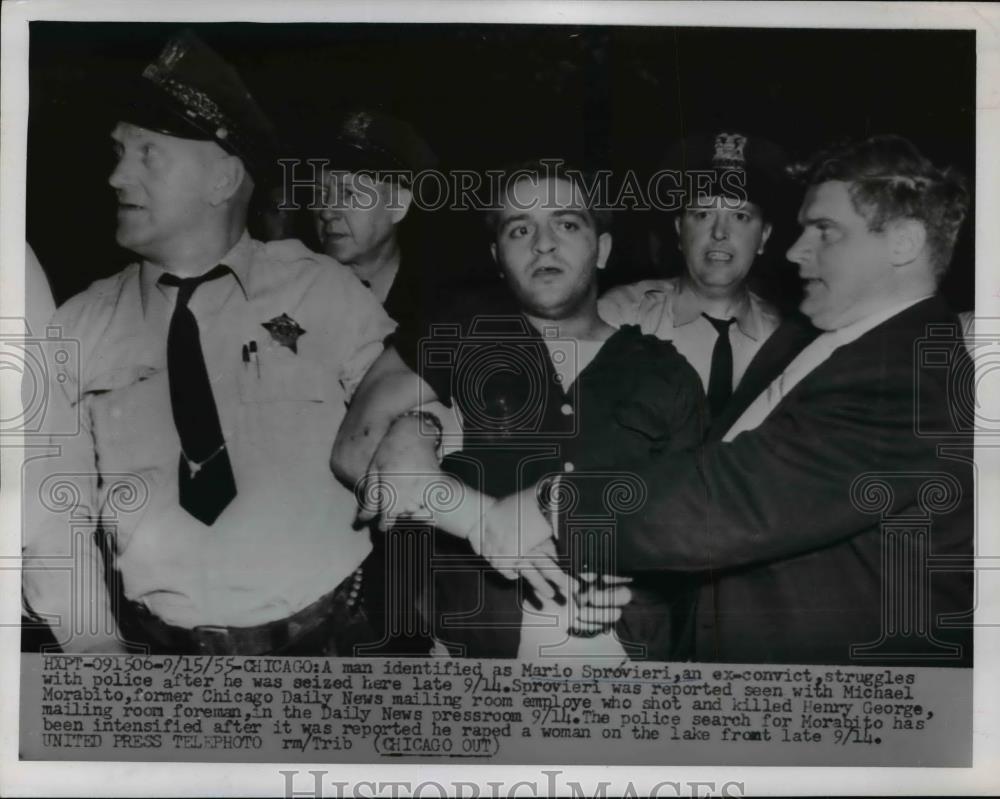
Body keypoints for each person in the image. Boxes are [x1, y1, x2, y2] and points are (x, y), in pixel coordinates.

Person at [480, 135, 975, 666]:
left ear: (903, 243)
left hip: (841, 699)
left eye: (824, 231)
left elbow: (733, 498)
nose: (794, 250)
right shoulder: (813, 337)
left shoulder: (911, 376)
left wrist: (553, 504)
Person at [21, 30, 394, 655]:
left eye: (146, 153)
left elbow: (403, 395)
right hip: (158, 656)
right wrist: (98, 658)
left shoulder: (319, 290)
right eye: (117, 151)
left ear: (223, 178)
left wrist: (421, 430)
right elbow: (52, 516)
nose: (116, 175)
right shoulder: (74, 329)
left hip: (334, 647)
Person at [335, 160, 706, 659]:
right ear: (497, 256)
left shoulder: (665, 371)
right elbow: (353, 450)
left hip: (625, 650)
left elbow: (694, 521)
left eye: (568, 224)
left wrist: (621, 569)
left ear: (603, 249)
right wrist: (478, 518)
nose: (543, 243)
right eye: (520, 228)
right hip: (476, 650)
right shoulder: (458, 333)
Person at [599, 131, 786, 422]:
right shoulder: (622, 315)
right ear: (679, 231)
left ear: (764, 236)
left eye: (740, 217)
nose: (720, 233)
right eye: (703, 215)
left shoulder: (781, 338)